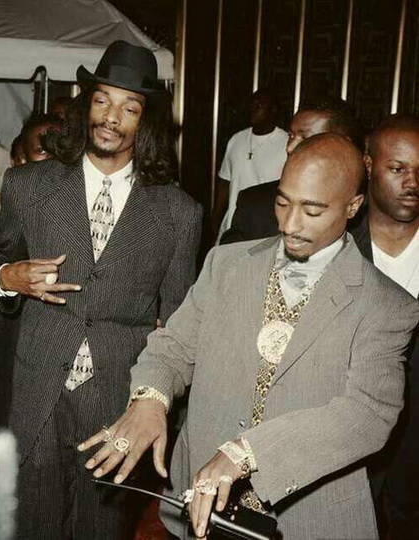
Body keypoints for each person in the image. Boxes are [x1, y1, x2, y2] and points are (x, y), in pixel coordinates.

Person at [81, 134, 418, 540]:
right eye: (283, 203)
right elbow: (174, 347)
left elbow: (367, 414)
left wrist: (248, 453)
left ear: (353, 206)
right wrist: (150, 398)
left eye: (312, 210)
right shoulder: (225, 263)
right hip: (201, 509)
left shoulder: (386, 304)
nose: (289, 225)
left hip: (310, 520)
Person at [0, 40, 202, 540]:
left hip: (118, 406)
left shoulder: (180, 213)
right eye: (102, 101)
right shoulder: (27, 186)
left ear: (145, 120)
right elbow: (1, 259)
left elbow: (179, 327)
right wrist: (6, 278)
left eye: (129, 107)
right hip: (37, 396)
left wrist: (153, 404)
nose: (111, 117)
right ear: (86, 105)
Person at [351, 114, 419, 539]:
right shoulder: (336, 242)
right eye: (398, 168)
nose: (413, 183)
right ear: (369, 164)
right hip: (351, 451)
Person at [220, 97, 363, 244]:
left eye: (305, 138)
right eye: (291, 136)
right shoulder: (254, 204)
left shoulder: (367, 216)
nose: (290, 147)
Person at [211, 89, 288, 242]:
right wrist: (215, 218)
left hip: (264, 231)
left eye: (259, 106)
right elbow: (225, 182)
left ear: (273, 110)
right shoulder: (236, 140)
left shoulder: (286, 143)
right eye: (251, 104)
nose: (252, 109)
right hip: (231, 228)